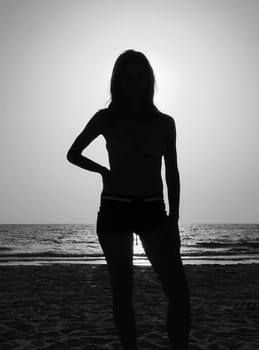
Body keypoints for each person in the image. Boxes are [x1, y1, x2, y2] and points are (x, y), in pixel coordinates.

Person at [67, 49, 191, 350]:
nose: (134, 83)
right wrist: (102, 170)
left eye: (140, 77)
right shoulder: (105, 118)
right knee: (123, 293)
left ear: (149, 80)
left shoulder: (165, 123)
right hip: (115, 209)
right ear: (118, 81)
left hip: (153, 209)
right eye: (128, 77)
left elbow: (171, 172)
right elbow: (73, 153)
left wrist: (174, 219)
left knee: (179, 294)